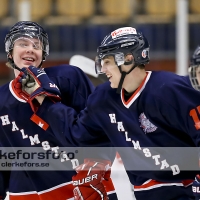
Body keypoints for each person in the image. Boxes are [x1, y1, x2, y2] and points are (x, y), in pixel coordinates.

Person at [18, 26, 200, 200]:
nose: (103, 69)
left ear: (128, 59)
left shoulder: (170, 89)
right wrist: (43, 99)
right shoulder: (103, 99)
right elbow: (76, 134)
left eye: (107, 62)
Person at [0, 21, 117, 200]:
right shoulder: (2, 99)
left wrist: (97, 170)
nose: (30, 49)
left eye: (36, 45)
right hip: (27, 192)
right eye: (23, 43)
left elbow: (98, 127)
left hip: (81, 185)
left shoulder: (68, 78)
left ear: (43, 54)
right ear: (10, 52)